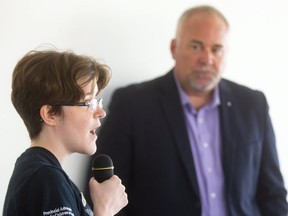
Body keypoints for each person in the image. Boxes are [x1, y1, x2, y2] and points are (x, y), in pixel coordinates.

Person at [88, 5, 288, 216]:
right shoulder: (132, 105)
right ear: (174, 48)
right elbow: (103, 196)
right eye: (196, 46)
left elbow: (272, 194)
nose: (207, 58)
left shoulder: (252, 104)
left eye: (216, 49)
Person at [3, 49, 128, 216]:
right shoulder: (46, 178)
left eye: (98, 101)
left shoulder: (44, 173)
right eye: (88, 103)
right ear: (50, 114)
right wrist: (105, 209)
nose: (101, 112)